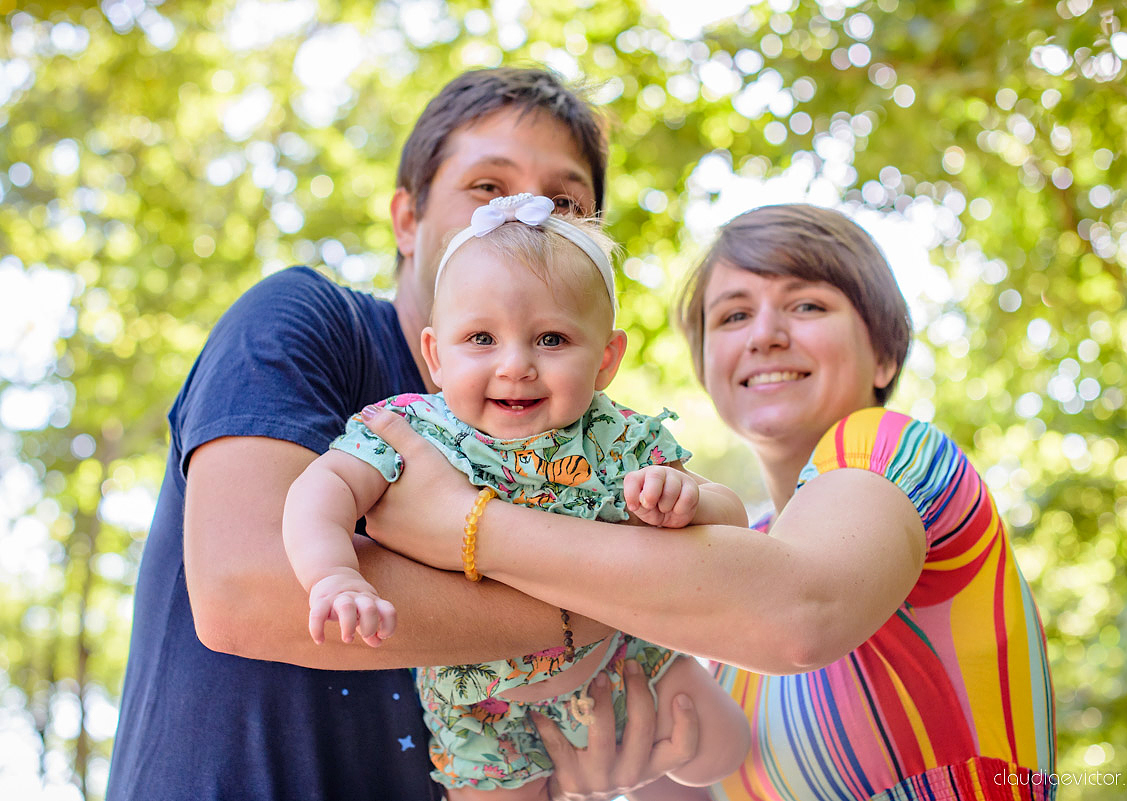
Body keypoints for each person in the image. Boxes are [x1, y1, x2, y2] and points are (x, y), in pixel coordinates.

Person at [106, 68, 700, 801]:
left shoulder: (571, 435)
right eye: (488, 186)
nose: (525, 214)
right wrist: (610, 603)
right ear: (407, 220)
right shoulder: (308, 323)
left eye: (564, 202)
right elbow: (242, 590)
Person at [356, 204, 1058, 800]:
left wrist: (467, 525)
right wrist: (596, 766)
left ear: (883, 353)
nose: (765, 334)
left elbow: (800, 617)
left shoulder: (894, 448)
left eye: (807, 304)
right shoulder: (709, 585)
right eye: (731, 316)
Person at [282, 194, 750, 800]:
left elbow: (732, 517)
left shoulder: (617, 435)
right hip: (481, 704)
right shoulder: (413, 431)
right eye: (480, 337)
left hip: (620, 657)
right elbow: (323, 488)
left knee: (722, 746)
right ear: (435, 356)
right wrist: (332, 576)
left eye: (552, 339)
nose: (516, 365)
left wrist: (685, 498)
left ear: (606, 359)